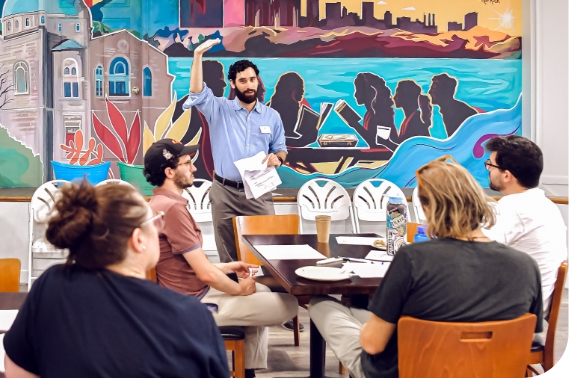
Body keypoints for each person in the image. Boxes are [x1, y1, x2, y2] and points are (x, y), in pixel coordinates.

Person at [308, 156, 543, 378]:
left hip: (408, 370)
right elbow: (530, 338)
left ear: (428, 209)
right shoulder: (526, 266)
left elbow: (372, 344)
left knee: (321, 304)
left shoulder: (413, 258)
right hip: (490, 370)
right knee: (360, 314)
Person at [3, 180, 229, 378]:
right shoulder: (190, 316)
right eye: (155, 221)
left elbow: (17, 370)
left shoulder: (51, 286)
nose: (159, 227)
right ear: (138, 239)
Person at [143, 139, 298, 378]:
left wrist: (227, 266)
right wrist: (239, 289)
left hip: (184, 293)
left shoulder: (160, 203)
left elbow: (184, 263)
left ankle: (247, 371)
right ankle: (245, 371)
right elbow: (204, 274)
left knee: (262, 293)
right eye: (187, 163)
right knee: (288, 305)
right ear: (169, 172)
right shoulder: (172, 209)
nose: (194, 168)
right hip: (191, 303)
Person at [182, 38, 287, 265]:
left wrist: (277, 159)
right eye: (242, 81)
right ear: (233, 83)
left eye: (252, 80)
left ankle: (266, 294)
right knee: (227, 253)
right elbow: (197, 91)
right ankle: (234, 292)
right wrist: (198, 55)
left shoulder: (272, 116)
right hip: (224, 192)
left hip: (259, 189)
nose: (249, 85)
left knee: (269, 247)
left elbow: (280, 149)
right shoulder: (218, 109)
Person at [483, 135, 567, 315]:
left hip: (514, 316)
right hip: (533, 308)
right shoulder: (546, 206)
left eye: (490, 164)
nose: (488, 169)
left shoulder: (513, 208)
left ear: (507, 175)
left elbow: (472, 253)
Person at [353, 72, 396, 148]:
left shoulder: (382, 114)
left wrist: (354, 124)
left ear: (371, 92)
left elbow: (379, 143)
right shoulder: (369, 114)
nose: (355, 94)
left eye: (358, 90)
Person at [428, 73, 477, 137]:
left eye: (434, 88)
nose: (429, 92)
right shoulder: (447, 110)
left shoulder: (461, 112)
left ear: (445, 91)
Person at [391, 80, 432, 144]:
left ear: (405, 97)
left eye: (397, 94)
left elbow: (406, 147)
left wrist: (386, 143)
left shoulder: (415, 120)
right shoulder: (409, 119)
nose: (394, 97)